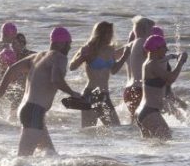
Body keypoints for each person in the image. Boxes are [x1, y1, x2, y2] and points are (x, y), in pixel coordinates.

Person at [12, 27, 81, 156]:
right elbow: (56, 79)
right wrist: (72, 93)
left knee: (50, 155)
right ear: (61, 43)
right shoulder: (59, 58)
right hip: (34, 112)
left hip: (26, 109)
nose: (70, 47)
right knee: (22, 159)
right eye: (69, 44)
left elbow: (12, 69)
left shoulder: (38, 56)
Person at [69, 21, 130, 127]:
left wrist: (124, 57)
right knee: (88, 131)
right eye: (108, 33)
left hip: (105, 95)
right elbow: (72, 67)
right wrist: (81, 57)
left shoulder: (110, 49)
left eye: (111, 33)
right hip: (90, 95)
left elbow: (114, 71)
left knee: (116, 128)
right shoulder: (88, 48)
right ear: (100, 33)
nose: (111, 35)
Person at [135, 33, 186, 139]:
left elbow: (162, 60)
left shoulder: (149, 63)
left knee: (150, 147)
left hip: (144, 112)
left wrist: (172, 56)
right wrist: (181, 62)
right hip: (150, 112)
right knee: (167, 141)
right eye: (164, 47)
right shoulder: (152, 64)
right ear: (156, 49)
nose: (167, 49)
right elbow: (171, 78)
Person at [123, 16, 156, 120]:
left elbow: (112, 55)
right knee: (144, 121)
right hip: (139, 90)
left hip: (128, 90)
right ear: (144, 30)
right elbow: (154, 60)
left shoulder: (129, 45)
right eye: (151, 30)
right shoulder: (143, 42)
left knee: (134, 121)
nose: (152, 33)